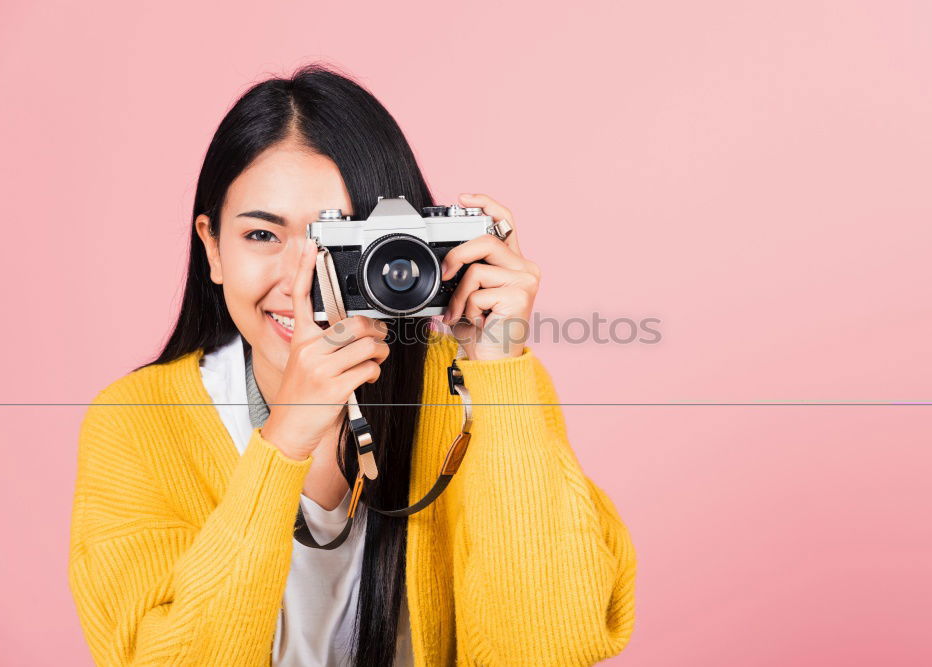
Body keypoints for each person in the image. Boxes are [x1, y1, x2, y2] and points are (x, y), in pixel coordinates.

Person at [67, 63, 636, 667]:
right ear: (212, 247)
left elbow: (552, 643)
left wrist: (498, 369)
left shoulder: (484, 390)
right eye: (263, 236)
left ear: (406, 250)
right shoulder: (137, 421)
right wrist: (283, 439)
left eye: (337, 243)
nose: (301, 281)